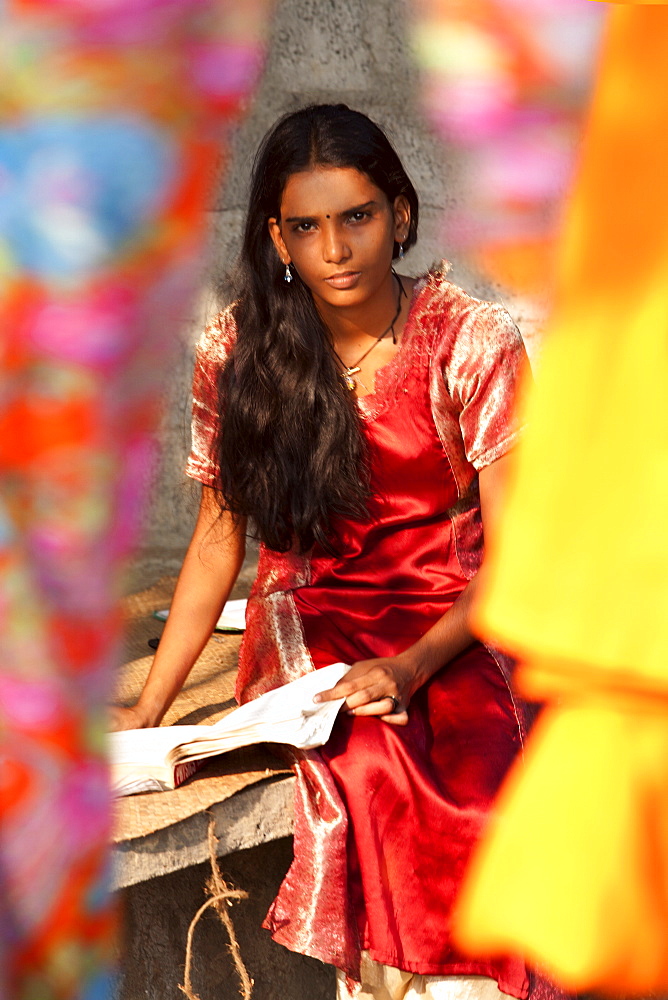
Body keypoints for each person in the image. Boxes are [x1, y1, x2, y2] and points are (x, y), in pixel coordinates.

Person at [111, 104, 539, 1000]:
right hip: (314, 617)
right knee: (369, 755)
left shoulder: (470, 341)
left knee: (486, 776)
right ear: (276, 238)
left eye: (358, 217)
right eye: (306, 227)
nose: (335, 249)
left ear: (402, 215)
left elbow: (519, 555)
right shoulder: (239, 351)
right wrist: (148, 715)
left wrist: (415, 666)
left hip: (458, 611)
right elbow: (216, 543)